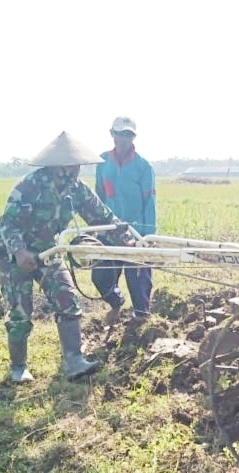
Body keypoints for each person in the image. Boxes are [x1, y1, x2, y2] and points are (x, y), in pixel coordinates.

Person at [0, 131, 135, 383]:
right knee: (20, 313)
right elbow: (8, 224)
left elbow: (101, 217)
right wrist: (20, 251)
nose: (75, 171)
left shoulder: (76, 190)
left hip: (48, 251)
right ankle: (18, 367)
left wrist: (122, 236)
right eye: (71, 167)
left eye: (77, 166)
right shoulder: (28, 187)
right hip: (14, 255)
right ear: (57, 167)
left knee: (67, 298)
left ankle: (74, 360)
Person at [92, 116, 157, 323]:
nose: (124, 138)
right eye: (120, 134)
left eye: (128, 134)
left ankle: (142, 318)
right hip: (109, 230)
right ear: (112, 134)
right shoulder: (102, 163)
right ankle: (116, 302)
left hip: (136, 232)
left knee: (138, 280)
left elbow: (150, 201)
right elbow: (98, 198)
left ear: (133, 137)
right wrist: (96, 227)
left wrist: (149, 234)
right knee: (101, 277)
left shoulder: (143, 166)